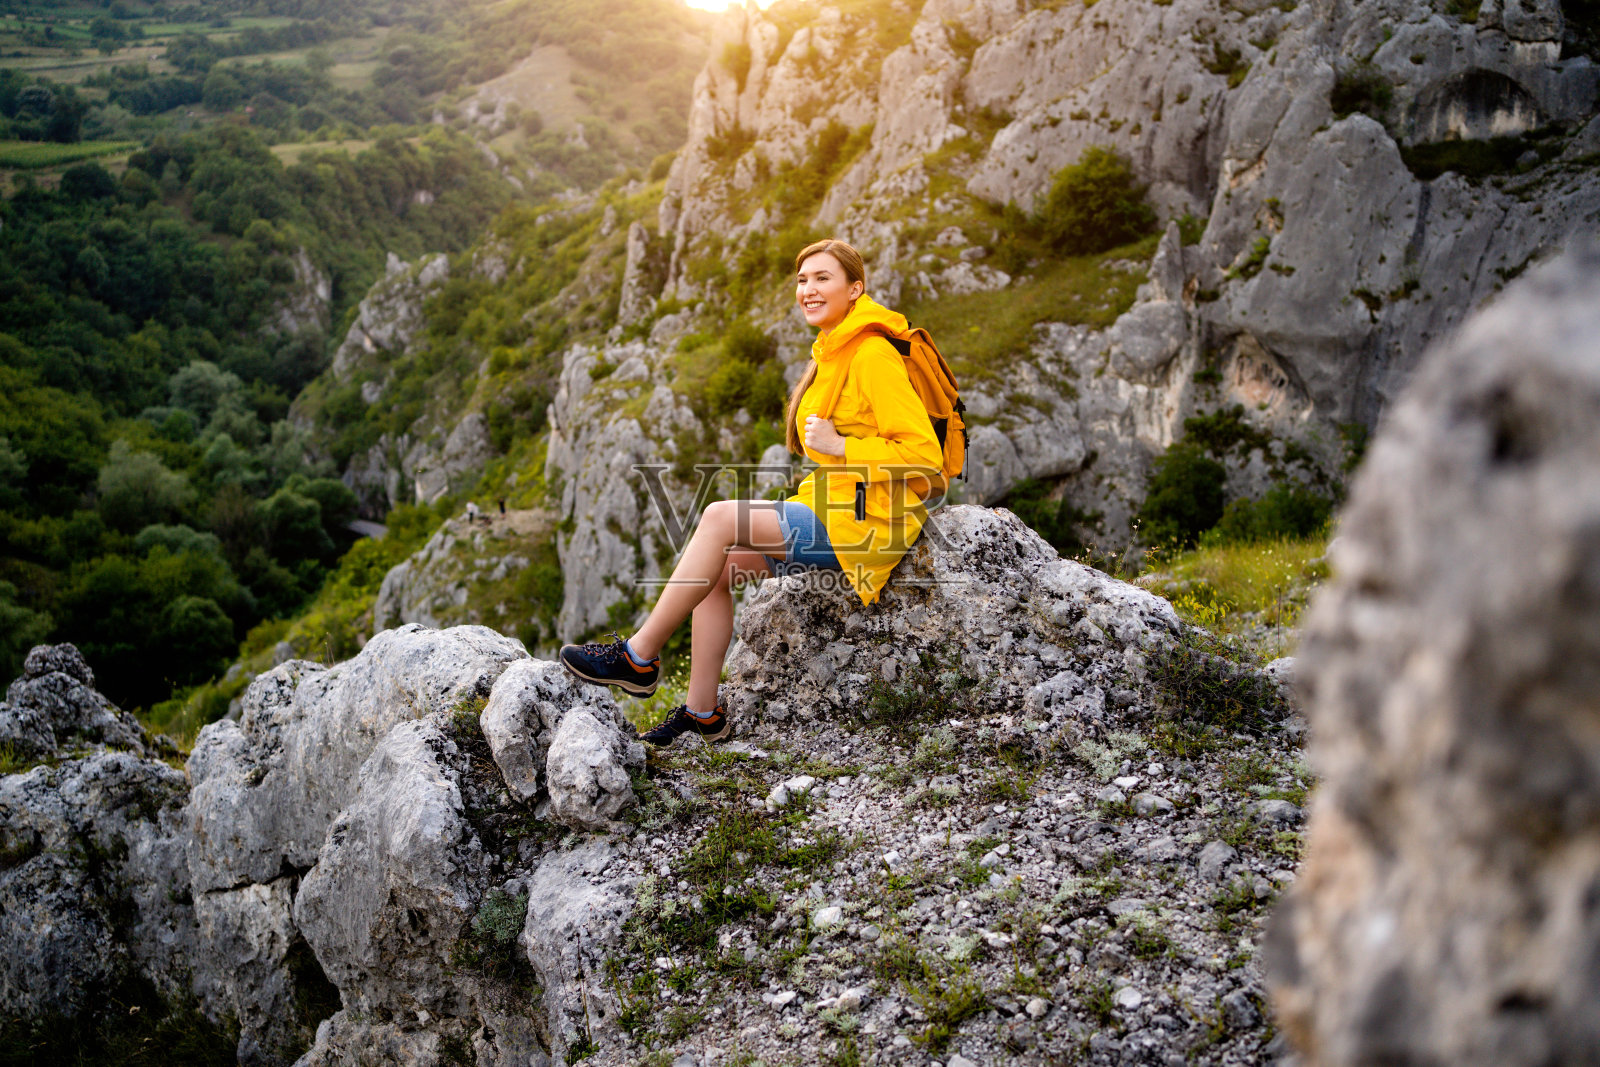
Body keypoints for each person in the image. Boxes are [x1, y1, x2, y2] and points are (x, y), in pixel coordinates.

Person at [558, 238, 943, 746]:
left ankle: (638, 657)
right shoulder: (835, 350)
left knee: (719, 517)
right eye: (802, 280)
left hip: (866, 525)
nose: (808, 289)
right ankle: (703, 714)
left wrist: (842, 445)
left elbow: (924, 457)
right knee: (717, 568)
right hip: (833, 508)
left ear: (855, 289)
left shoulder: (872, 354)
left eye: (823, 278)